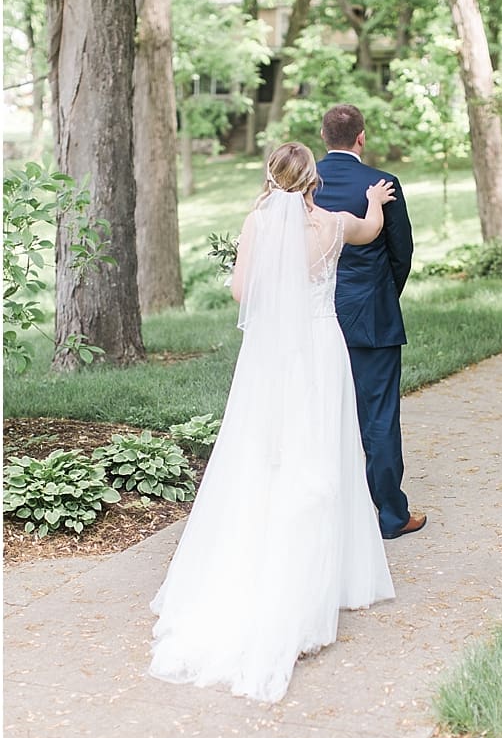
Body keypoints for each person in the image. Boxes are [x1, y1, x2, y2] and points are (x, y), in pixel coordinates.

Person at [149, 142, 397, 703]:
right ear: (314, 182)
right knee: (323, 450)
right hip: (321, 348)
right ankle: (327, 582)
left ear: (272, 177)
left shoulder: (257, 221)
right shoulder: (334, 224)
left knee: (264, 451)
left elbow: (242, 291)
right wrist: (376, 200)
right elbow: (372, 231)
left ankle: (260, 557)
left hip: (270, 356)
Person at [313, 104, 425, 539]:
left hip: (315, 315)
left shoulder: (304, 184)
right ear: (361, 137)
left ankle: (330, 514)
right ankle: (391, 517)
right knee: (378, 416)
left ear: (324, 137)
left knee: (321, 412)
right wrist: (382, 295)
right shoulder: (382, 184)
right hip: (371, 318)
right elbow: (402, 253)